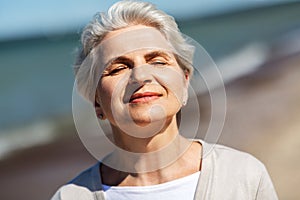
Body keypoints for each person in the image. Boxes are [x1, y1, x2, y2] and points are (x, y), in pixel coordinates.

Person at [51, 1, 278, 199]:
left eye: (158, 61)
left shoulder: (244, 177)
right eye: (118, 68)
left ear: (185, 82)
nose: (141, 76)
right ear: (97, 102)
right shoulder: (71, 196)